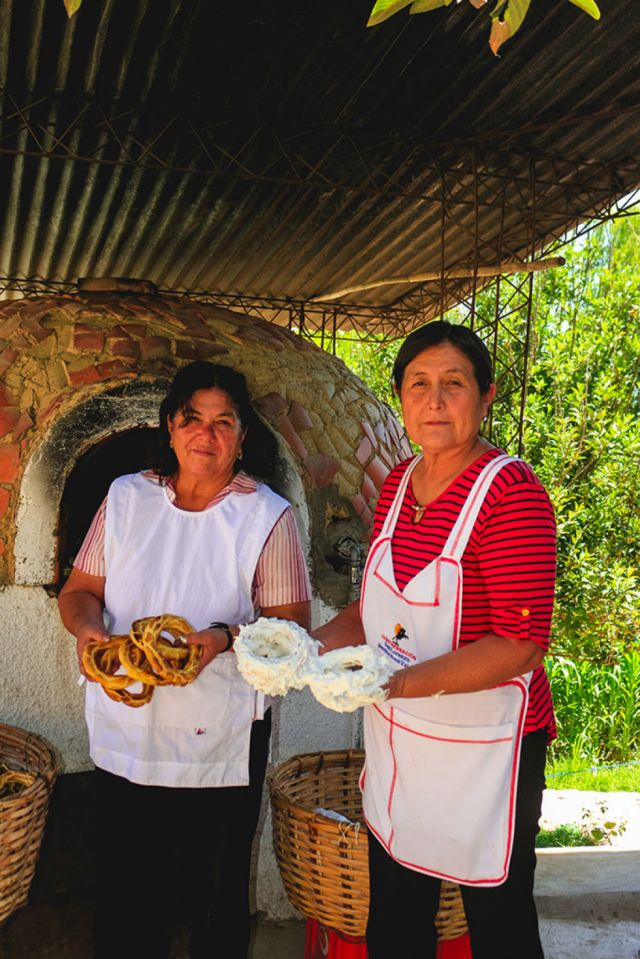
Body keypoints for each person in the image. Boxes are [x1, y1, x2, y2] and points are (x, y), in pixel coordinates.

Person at [313, 320, 556, 959]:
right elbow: (374, 603)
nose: (435, 400)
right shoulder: (397, 484)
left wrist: (391, 684)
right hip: (401, 740)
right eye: (418, 384)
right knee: (396, 911)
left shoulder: (511, 492)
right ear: (400, 397)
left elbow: (520, 643)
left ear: (487, 395)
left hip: (490, 748)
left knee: (496, 917)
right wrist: (308, 649)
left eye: (454, 384)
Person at [58, 361, 311, 959]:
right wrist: (92, 634)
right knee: (124, 892)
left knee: (214, 896)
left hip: (220, 733)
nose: (207, 433)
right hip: (129, 723)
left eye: (224, 422)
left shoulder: (266, 516)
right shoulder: (126, 498)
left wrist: (222, 638)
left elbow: (292, 628)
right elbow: (78, 593)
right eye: (192, 419)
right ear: (170, 428)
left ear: (242, 438)